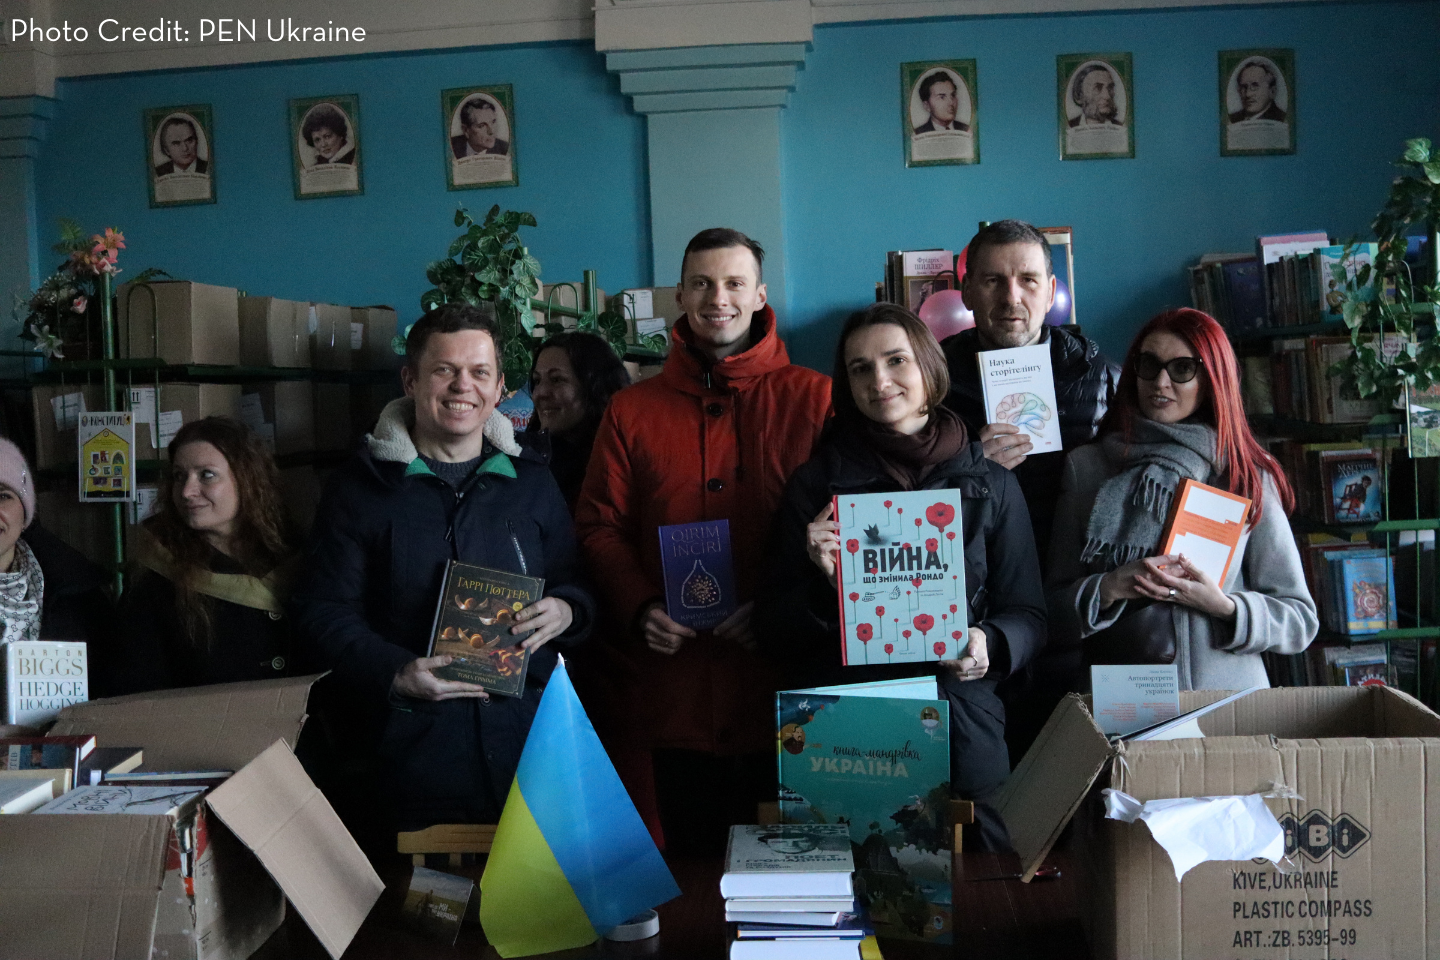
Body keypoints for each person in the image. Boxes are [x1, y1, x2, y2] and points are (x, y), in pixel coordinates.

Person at [575, 227, 831, 853]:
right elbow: (598, 524)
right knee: (690, 882)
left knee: (795, 886)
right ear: (681, 295)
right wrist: (640, 605)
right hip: (676, 690)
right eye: (702, 283)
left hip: (787, 690)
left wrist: (776, 607)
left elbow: (842, 527)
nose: (719, 297)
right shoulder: (632, 411)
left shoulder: (816, 397)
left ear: (760, 293)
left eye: (734, 283)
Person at [293, 302, 594, 831]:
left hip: (530, 752)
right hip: (410, 757)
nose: (463, 386)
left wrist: (569, 610)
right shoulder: (359, 489)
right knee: (424, 909)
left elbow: (576, 580)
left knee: (534, 910)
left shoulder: (531, 483)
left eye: (479, 373)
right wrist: (396, 673)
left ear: (500, 389)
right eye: (444, 371)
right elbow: (324, 612)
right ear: (411, 380)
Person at [758, 304, 1045, 850]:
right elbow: (773, 629)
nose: (880, 380)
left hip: (964, 727)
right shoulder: (817, 484)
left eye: (896, 360)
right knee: (871, 901)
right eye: (860, 368)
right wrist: (822, 584)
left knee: (985, 901)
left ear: (929, 367)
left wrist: (991, 642)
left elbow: (1030, 614)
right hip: (854, 736)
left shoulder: (990, 482)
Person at [1046, 308, 1317, 691]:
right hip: (1124, 703)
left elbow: (1299, 619)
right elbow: (1049, 613)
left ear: (1211, 379)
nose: (1161, 382)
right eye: (1148, 364)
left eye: (1182, 369)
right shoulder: (1087, 468)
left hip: (1226, 707)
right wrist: (1108, 587)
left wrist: (1224, 606)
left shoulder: (1242, 474)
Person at [941, 219, 1118, 761]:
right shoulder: (931, 378)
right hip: (974, 616)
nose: (1010, 297)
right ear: (967, 291)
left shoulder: (1101, 376)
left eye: (1027, 280)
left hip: (1076, 608)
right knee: (987, 779)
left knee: (1075, 778)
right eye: (992, 281)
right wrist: (972, 465)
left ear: (1051, 290)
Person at [114, 418, 299, 693]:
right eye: (179, 476)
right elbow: (136, 687)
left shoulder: (298, 554)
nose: (187, 491)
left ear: (247, 478)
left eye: (206, 475)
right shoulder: (155, 577)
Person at [525, 331, 631, 512]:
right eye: (537, 381)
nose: (540, 393)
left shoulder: (622, 464)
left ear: (594, 387)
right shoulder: (526, 461)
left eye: (557, 380)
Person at [1068, 63, 1122, 128]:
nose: (1107, 96)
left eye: (1110, 88)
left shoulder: (1120, 126)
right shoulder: (1070, 126)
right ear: (1079, 95)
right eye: (1097, 88)